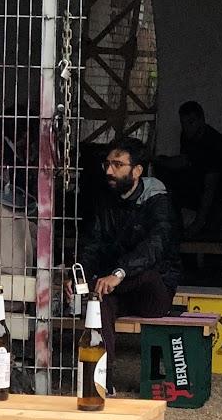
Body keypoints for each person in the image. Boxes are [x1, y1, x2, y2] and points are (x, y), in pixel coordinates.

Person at [66, 137, 181, 389]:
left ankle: (99, 284)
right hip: (117, 289)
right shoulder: (105, 198)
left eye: (118, 165)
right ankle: (100, 383)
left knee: (143, 273)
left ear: (137, 171)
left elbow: (156, 246)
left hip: (153, 294)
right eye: (107, 164)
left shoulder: (157, 199)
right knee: (99, 299)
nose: (109, 171)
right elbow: (93, 243)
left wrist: (119, 272)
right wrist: (80, 276)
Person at [156, 101, 222, 236]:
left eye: (191, 122)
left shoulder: (214, 143)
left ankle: (218, 217)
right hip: (198, 180)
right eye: (184, 124)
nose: (187, 128)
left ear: (201, 120)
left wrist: (198, 224)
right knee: (165, 174)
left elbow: (211, 185)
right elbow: (184, 161)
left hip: (219, 186)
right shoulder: (187, 136)